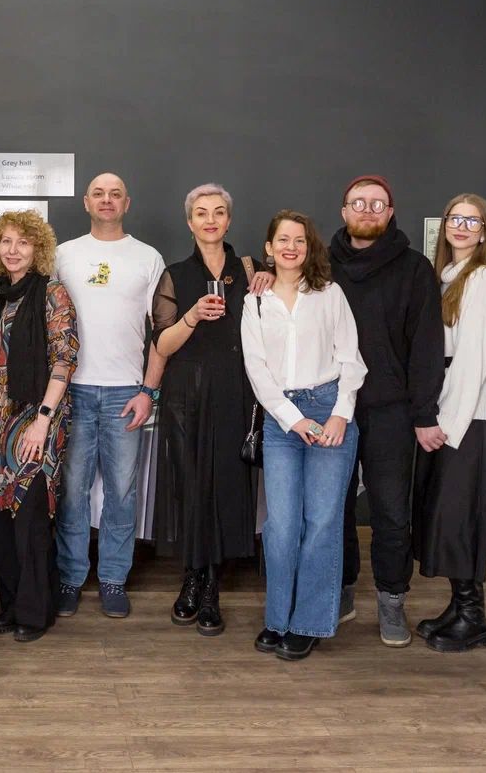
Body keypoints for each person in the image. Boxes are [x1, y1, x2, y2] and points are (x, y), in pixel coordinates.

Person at [242, 211, 367, 660]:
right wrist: (292, 420)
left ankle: (309, 623)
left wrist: (340, 415)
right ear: (269, 248)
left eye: (299, 240)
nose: (291, 247)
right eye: (282, 240)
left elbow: (351, 359)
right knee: (281, 525)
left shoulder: (330, 294)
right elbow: (256, 369)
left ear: (309, 247)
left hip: (330, 409)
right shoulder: (255, 301)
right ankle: (278, 618)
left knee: (323, 522)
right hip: (282, 420)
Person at [0, 210, 78, 643]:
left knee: (29, 519)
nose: (13, 250)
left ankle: (35, 611)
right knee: (0, 520)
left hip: (36, 417)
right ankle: (9, 605)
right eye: (5, 241)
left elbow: (64, 361)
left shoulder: (53, 293)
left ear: (37, 248)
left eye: (23, 242)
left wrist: (42, 421)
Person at [329, 174, 444, 647]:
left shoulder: (414, 269)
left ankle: (392, 598)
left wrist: (424, 412)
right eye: (358, 203)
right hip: (331, 406)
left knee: (392, 512)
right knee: (332, 508)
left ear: (391, 212)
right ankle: (341, 590)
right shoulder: (321, 264)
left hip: (390, 409)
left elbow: (427, 346)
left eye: (377, 204)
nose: (368, 210)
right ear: (344, 211)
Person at [51, 172, 165, 619]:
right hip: (72, 389)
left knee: (122, 492)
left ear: (126, 203)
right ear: (86, 202)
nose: (107, 200)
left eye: (115, 193)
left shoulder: (147, 257)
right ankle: (70, 578)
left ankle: (114, 579)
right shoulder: (64, 254)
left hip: (125, 392)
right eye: (98, 193)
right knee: (71, 492)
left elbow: (162, 332)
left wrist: (148, 390)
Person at [151, 183, 262, 637]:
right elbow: (162, 344)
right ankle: (192, 577)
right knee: (191, 486)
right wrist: (192, 316)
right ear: (190, 222)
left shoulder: (253, 270)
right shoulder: (175, 275)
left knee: (226, 486)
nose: (210, 220)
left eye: (218, 212)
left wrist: (269, 282)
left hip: (237, 391)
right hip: (187, 394)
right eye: (201, 213)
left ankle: (212, 584)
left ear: (229, 220)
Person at [412, 194, 486, 653]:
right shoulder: (447, 275)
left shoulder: (482, 278)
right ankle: (459, 606)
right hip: (445, 402)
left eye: (473, 221)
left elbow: (473, 358)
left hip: (465, 412)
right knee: (447, 512)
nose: (462, 227)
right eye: (455, 218)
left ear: (484, 231)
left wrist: (446, 423)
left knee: (463, 512)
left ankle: (474, 617)